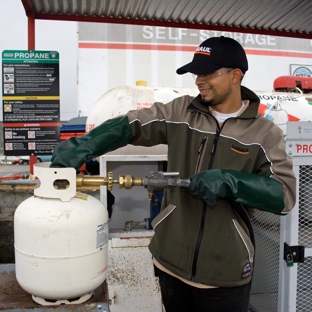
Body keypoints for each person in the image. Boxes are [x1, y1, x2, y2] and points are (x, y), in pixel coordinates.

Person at [50, 36, 296, 311]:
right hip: (170, 262)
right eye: (196, 73)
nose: (198, 80)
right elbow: (133, 124)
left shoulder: (265, 133)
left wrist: (231, 182)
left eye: (207, 73)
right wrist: (86, 144)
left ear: (236, 75)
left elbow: (284, 196)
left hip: (225, 272)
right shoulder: (182, 112)